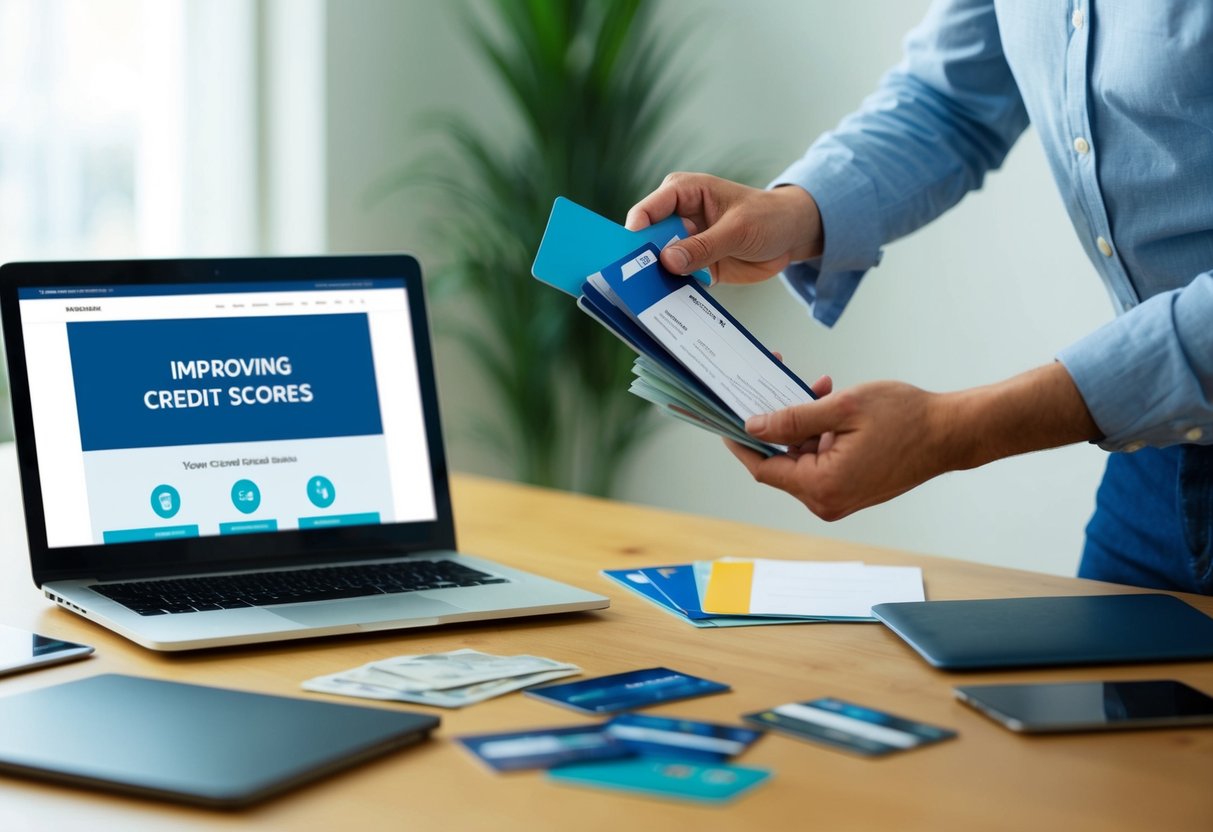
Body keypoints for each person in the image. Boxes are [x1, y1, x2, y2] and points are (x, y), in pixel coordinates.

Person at [625, 0, 1213, 595]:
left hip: (1144, 413)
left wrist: (952, 430)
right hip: (1155, 457)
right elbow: (952, 100)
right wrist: (791, 212)